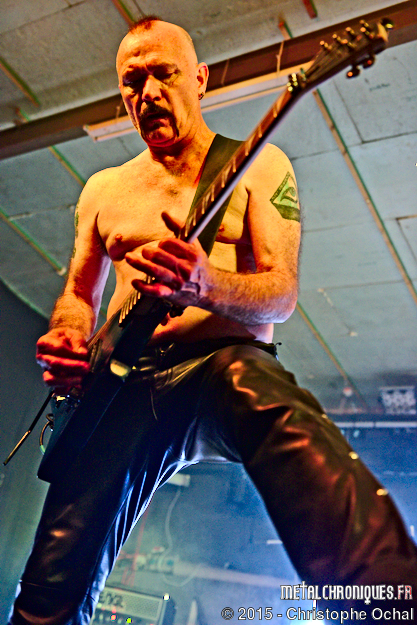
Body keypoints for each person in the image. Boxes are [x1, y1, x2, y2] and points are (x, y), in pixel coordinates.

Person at [9, 16, 417, 625]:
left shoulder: (260, 165)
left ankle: (388, 592)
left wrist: (208, 284)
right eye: (132, 81)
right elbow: (77, 293)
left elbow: (280, 296)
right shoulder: (103, 189)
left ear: (199, 79)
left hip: (218, 362)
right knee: (51, 581)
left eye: (164, 74)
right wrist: (68, 332)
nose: (148, 93)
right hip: (121, 383)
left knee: (268, 403)